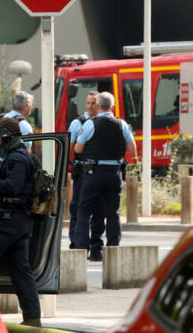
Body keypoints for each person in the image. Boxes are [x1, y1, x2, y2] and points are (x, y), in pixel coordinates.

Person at [0, 117, 41, 327]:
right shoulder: (21, 156)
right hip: (19, 220)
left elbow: (12, 187)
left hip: (10, 221)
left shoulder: (16, 159)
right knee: (21, 271)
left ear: (7, 135)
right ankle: (33, 318)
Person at [73, 91, 137, 261]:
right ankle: (113, 247)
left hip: (94, 173)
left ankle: (81, 248)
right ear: (112, 106)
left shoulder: (90, 124)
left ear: (98, 105)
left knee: (84, 210)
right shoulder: (121, 124)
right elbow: (132, 148)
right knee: (113, 212)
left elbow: (77, 149)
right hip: (114, 173)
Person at [67, 91, 106, 250]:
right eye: (88, 103)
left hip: (100, 172)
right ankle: (76, 244)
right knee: (77, 208)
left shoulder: (106, 122)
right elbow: (69, 149)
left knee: (99, 209)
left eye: (93, 103)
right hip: (82, 172)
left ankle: (96, 246)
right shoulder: (77, 123)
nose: (90, 106)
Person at [0, 90, 34, 165]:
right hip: (15, 167)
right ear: (25, 106)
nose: (31, 107)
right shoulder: (25, 126)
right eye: (31, 105)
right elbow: (27, 153)